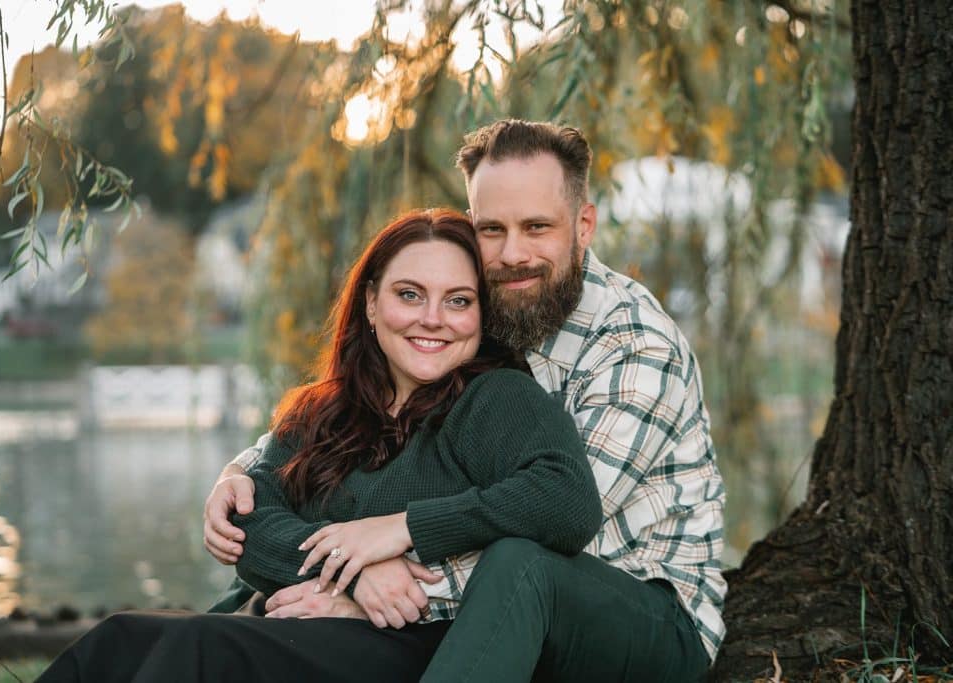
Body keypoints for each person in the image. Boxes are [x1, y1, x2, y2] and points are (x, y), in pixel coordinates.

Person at [206, 120, 727, 681]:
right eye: (492, 229)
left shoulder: (634, 347)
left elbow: (566, 521)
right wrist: (246, 468)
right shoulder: (490, 311)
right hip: (509, 608)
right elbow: (335, 432)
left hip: (645, 614)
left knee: (522, 564)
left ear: (583, 225)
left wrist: (382, 589)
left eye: (537, 228)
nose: (512, 253)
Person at [37, 208, 603, 682]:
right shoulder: (324, 409)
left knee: (202, 650)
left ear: (482, 315)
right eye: (411, 295)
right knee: (117, 641)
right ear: (372, 303)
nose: (433, 319)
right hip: (305, 629)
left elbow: (564, 498)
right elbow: (252, 522)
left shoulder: (496, 398)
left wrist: (404, 529)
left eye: (459, 300)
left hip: (419, 648)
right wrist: (355, 571)